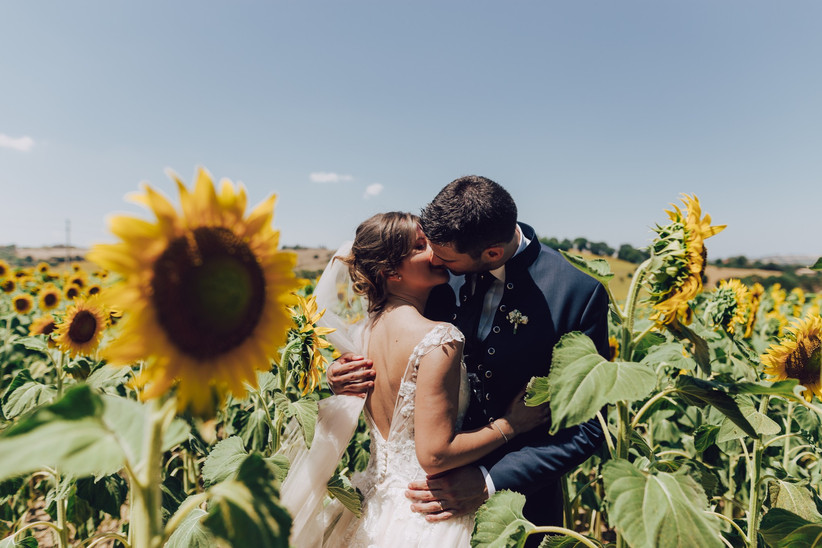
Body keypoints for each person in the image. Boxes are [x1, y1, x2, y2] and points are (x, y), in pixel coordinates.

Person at [329, 176, 609, 533]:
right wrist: (342, 370)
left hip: (519, 512)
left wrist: (491, 481)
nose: (434, 258)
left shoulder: (577, 294)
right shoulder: (436, 270)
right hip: (416, 502)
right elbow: (389, 330)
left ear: (491, 253)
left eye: (445, 257)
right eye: (426, 246)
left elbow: (588, 426)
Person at [292, 211, 549, 547]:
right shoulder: (439, 337)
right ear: (390, 272)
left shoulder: (363, 332)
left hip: (376, 503)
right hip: (427, 509)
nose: (435, 251)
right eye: (420, 247)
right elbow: (435, 454)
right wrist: (511, 425)